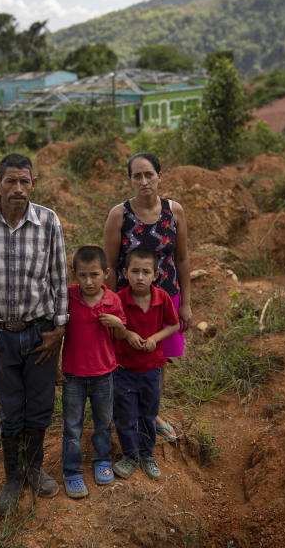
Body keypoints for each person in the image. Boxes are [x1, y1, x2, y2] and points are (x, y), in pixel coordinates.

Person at [0, 153, 68, 516]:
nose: (18, 188)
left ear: (34, 183)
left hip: (40, 335)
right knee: (10, 410)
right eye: (10, 181)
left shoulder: (48, 221)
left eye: (24, 181)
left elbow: (59, 280)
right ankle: (12, 476)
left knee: (40, 407)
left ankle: (35, 469)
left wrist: (59, 331)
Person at [103, 151, 191, 442]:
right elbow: (110, 265)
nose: (143, 181)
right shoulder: (120, 215)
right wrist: (112, 306)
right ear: (130, 180)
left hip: (166, 299)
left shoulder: (173, 210)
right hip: (129, 303)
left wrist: (186, 303)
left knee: (159, 357)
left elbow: (182, 258)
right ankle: (124, 414)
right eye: (137, 176)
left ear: (159, 176)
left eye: (149, 174)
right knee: (127, 357)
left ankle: (151, 413)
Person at [60, 245, 130, 498]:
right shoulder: (68, 297)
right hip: (73, 375)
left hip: (104, 374)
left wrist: (117, 324)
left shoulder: (113, 300)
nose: (89, 282)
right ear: (74, 274)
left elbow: (122, 335)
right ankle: (72, 471)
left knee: (103, 422)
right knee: (72, 426)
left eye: (94, 275)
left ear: (106, 274)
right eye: (83, 275)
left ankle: (102, 461)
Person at [111, 247, 179, 480]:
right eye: (135, 271)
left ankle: (147, 455)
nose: (140, 277)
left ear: (156, 275)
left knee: (148, 414)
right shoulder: (118, 299)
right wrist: (127, 333)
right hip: (124, 369)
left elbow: (174, 325)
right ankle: (130, 455)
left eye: (146, 272)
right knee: (126, 415)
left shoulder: (162, 299)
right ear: (125, 272)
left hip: (152, 369)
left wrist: (154, 339)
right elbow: (113, 330)